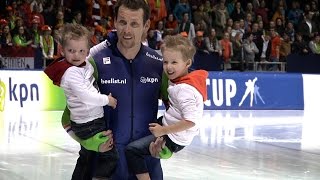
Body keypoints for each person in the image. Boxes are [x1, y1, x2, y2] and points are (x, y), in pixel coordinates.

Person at [60, 0, 167, 179]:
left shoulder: (159, 64)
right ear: (114, 22)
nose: (126, 30)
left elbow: (183, 113)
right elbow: (67, 118)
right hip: (103, 167)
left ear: (146, 25)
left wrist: (168, 146)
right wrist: (88, 142)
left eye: (134, 24)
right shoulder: (94, 62)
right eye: (122, 22)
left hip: (146, 167)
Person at [125, 34, 208, 180]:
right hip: (169, 125)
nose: (168, 67)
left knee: (132, 150)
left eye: (174, 62)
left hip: (174, 137)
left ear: (187, 63)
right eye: (165, 62)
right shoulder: (182, 80)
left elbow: (191, 121)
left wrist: (163, 131)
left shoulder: (185, 90)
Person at [44, 23, 119, 179]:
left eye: (81, 51)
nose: (76, 55)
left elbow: (91, 52)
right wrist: (107, 100)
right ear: (62, 50)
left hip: (90, 120)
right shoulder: (71, 73)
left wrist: (107, 42)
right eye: (71, 51)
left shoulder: (82, 63)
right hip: (88, 124)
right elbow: (86, 96)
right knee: (110, 156)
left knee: (87, 156)